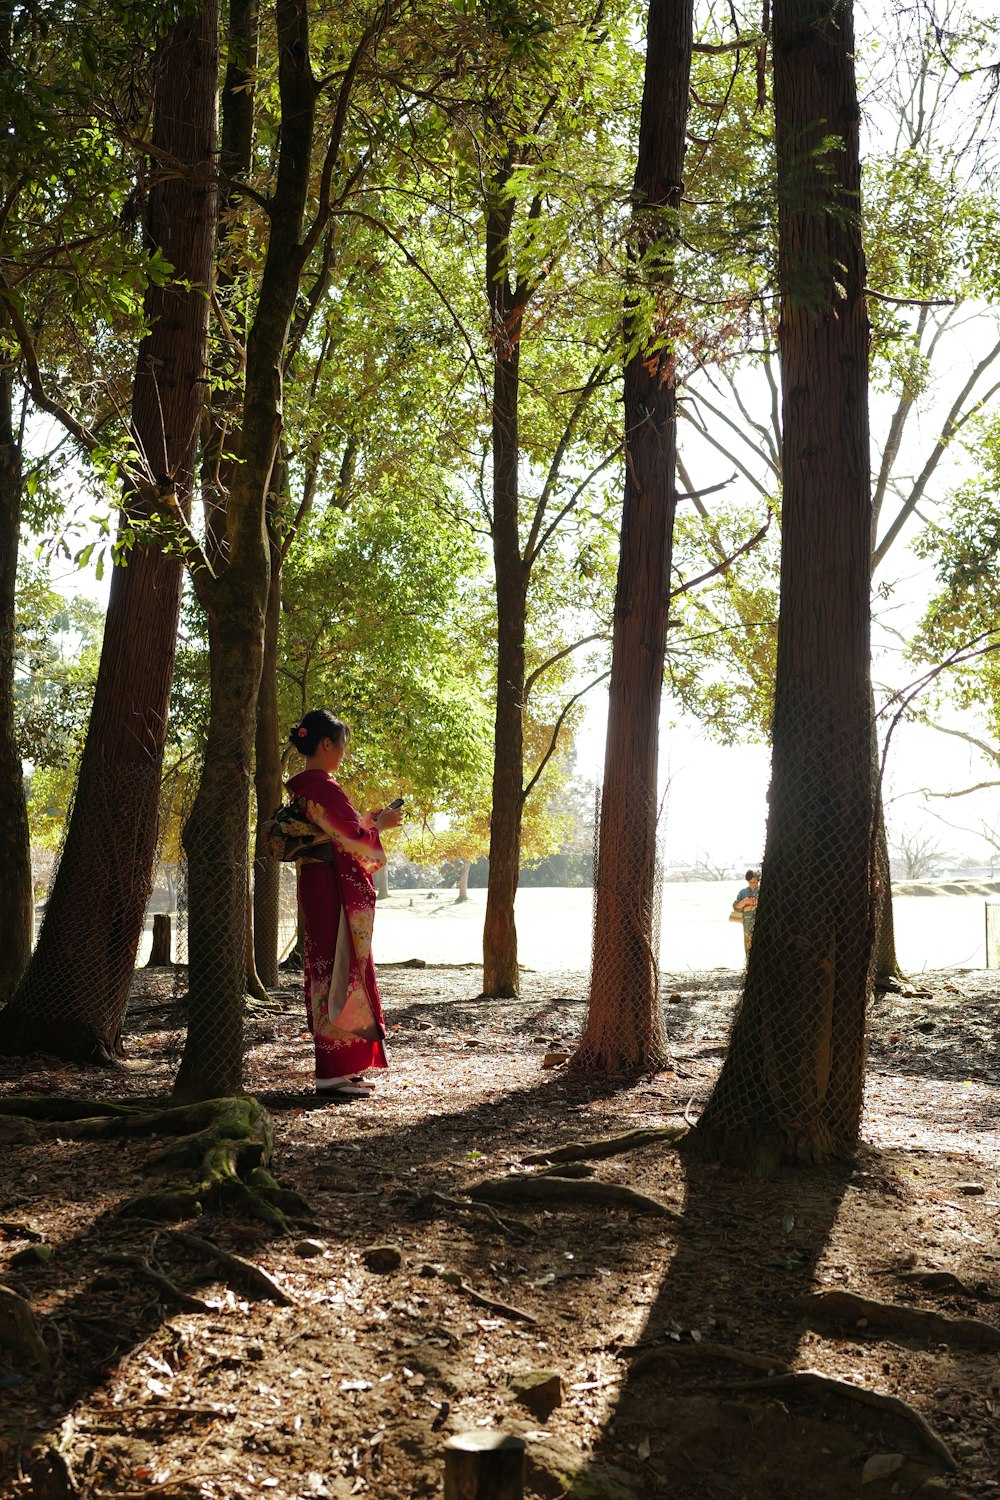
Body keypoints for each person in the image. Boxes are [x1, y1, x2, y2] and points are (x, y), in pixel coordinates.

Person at [285, 709, 403, 1099]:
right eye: (342, 746)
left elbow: (343, 832)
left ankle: (344, 1066)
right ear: (326, 744)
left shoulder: (307, 789)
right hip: (331, 887)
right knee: (337, 972)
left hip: (319, 883)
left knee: (334, 970)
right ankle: (331, 1071)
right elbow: (353, 842)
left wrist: (367, 821)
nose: (343, 754)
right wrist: (379, 826)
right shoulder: (323, 787)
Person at [732, 869, 759, 958]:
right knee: (748, 947)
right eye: (751, 882)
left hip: (759, 921)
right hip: (747, 923)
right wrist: (744, 902)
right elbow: (736, 907)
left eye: (755, 882)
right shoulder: (743, 892)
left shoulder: (762, 890)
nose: (753, 885)